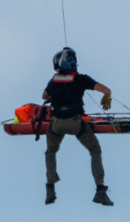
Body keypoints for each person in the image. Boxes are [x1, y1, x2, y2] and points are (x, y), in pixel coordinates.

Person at [43, 47, 114, 206]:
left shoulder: (53, 81)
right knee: (94, 150)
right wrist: (107, 97)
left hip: (56, 124)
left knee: (50, 152)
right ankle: (100, 190)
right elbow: (107, 90)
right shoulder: (81, 79)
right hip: (75, 123)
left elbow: (44, 96)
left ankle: (50, 188)